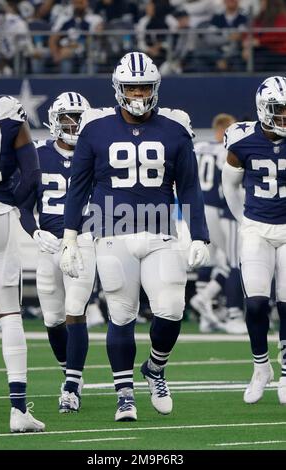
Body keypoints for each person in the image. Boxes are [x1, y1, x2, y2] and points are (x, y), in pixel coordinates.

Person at [60, 52, 209, 422]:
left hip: (161, 231)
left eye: (144, 86)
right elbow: (77, 188)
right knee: (121, 314)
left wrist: (199, 236)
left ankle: (156, 368)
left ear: (155, 87)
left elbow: (189, 188)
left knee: (172, 309)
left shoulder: (174, 129)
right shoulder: (95, 129)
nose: (139, 93)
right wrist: (70, 237)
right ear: (119, 88)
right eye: (132, 87)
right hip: (111, 231)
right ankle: (124, 394)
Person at [20, 92, 98, 413]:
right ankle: (70, 373)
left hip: (84, 241)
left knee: (74, 309)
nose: (74, 123)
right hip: (49, 244)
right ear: (55, 120)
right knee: (52, 319)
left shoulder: (97, 155)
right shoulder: (38, 156)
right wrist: (34, 232)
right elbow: (23, 206)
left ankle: (71, 386)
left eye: (79, 117)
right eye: (68, 117)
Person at [0, 65, 44, 431]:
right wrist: (17, 205)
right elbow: (32, 174)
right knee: (9, 315)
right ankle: (18, 410)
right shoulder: (7, 110)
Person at [222, 75, 286, 404]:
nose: (284, 116)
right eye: (278, 110)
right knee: (257, 303)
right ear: (263, 109)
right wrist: (243, 219)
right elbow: (229, 186)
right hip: (257, 228)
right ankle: (261, 366)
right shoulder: (242, 141)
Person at [192, 113, 247, 334]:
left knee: (213, 260)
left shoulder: (198, 146)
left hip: (196, 207)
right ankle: (232, 312)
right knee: (233, 261)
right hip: (217, 207)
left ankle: (206, 311)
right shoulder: (223, 150)